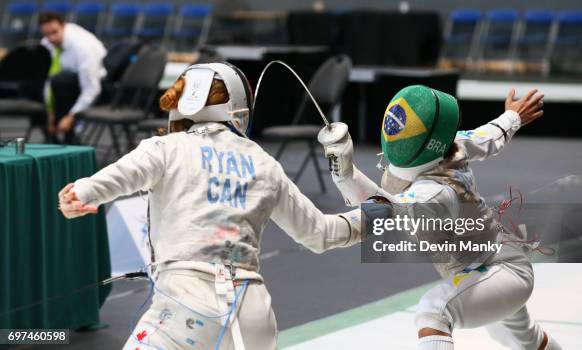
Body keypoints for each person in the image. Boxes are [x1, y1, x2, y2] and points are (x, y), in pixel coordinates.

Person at [57, 62, 360, 350]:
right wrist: (378, 214)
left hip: (183, 308)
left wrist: (80, 194)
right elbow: (320, 233)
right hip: (253, 314)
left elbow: (111, 181)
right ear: (239, 107)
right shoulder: (265, 164)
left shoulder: (165, 148)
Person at [319, 85, 562, 350]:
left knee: (434, 313)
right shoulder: (453, 145)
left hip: (500, 270)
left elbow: (388, 212)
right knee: (526, 340)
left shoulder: (436, 191)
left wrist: (344, 181)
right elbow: (491, 134)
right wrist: (513, 116)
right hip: (494, 263)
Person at [39, 11, 107, 144]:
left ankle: (70, 138)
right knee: (32, 83)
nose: (51, 39)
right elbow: (48, 81)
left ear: (63, 26)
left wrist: (71, 116)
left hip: (97, 87)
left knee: (61, 81)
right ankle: (51, 133)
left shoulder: (82, 47)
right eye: (46, 34)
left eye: (54, 32)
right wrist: (49, 113)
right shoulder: (47, 43)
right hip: (65, 88)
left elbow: (92, 89)